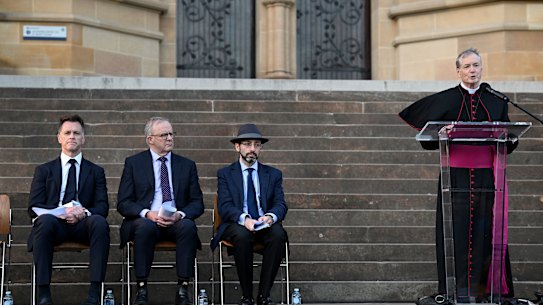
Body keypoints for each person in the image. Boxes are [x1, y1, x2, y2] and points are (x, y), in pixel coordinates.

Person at [399, 48, 517, 304]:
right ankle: (454, 288)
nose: (472, 70)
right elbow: (427, 141)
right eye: (467, 66)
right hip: (455, 177)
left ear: (481, 68)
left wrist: (508, 138)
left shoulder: (496, 101)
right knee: (456, 232)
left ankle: (486, 291)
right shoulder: (447, 99)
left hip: (487, 178)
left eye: (476, 65)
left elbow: (508, 139)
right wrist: (442, 133)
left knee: (486, 232)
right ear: (458, 71)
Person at [117, 117, 204, 305]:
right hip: (146, 220)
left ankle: (183, 288)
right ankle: (141, 289)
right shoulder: (134, 163)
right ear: (150, 139)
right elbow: (123, 202)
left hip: (175, 221)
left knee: (188, 227)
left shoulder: (186, 165)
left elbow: (197, 203)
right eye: (164, 135)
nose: (170, 138)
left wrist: (179, 215)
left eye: (172, 134)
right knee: (145, 227)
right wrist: (147, 213)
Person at [28, 114, 110, 305]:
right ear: (59, 137)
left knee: (99, 222)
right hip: (54, 225)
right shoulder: (44, 170)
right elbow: (34, 207)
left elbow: (102, 206)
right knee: (44, 221)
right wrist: (63, 212)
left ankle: (94, 293)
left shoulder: (96, 171)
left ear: (83, 138)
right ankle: (44, 295)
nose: (72, 136)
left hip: (83, 225)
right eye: (67, 133)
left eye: (76, 133)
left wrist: (83, 212)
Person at [211, 123, 288, 305]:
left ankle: (263, 296)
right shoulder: (225, 174)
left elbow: (280, 204)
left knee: (278, 234)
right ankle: (247, 296)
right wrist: (245, 219)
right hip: (237, 225)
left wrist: (270, 216)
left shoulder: (273, 174)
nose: (252, 149)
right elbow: (225, 206)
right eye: (247, 144)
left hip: (263, 223)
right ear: (237, 147)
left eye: (257, 144)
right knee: (242, 235)